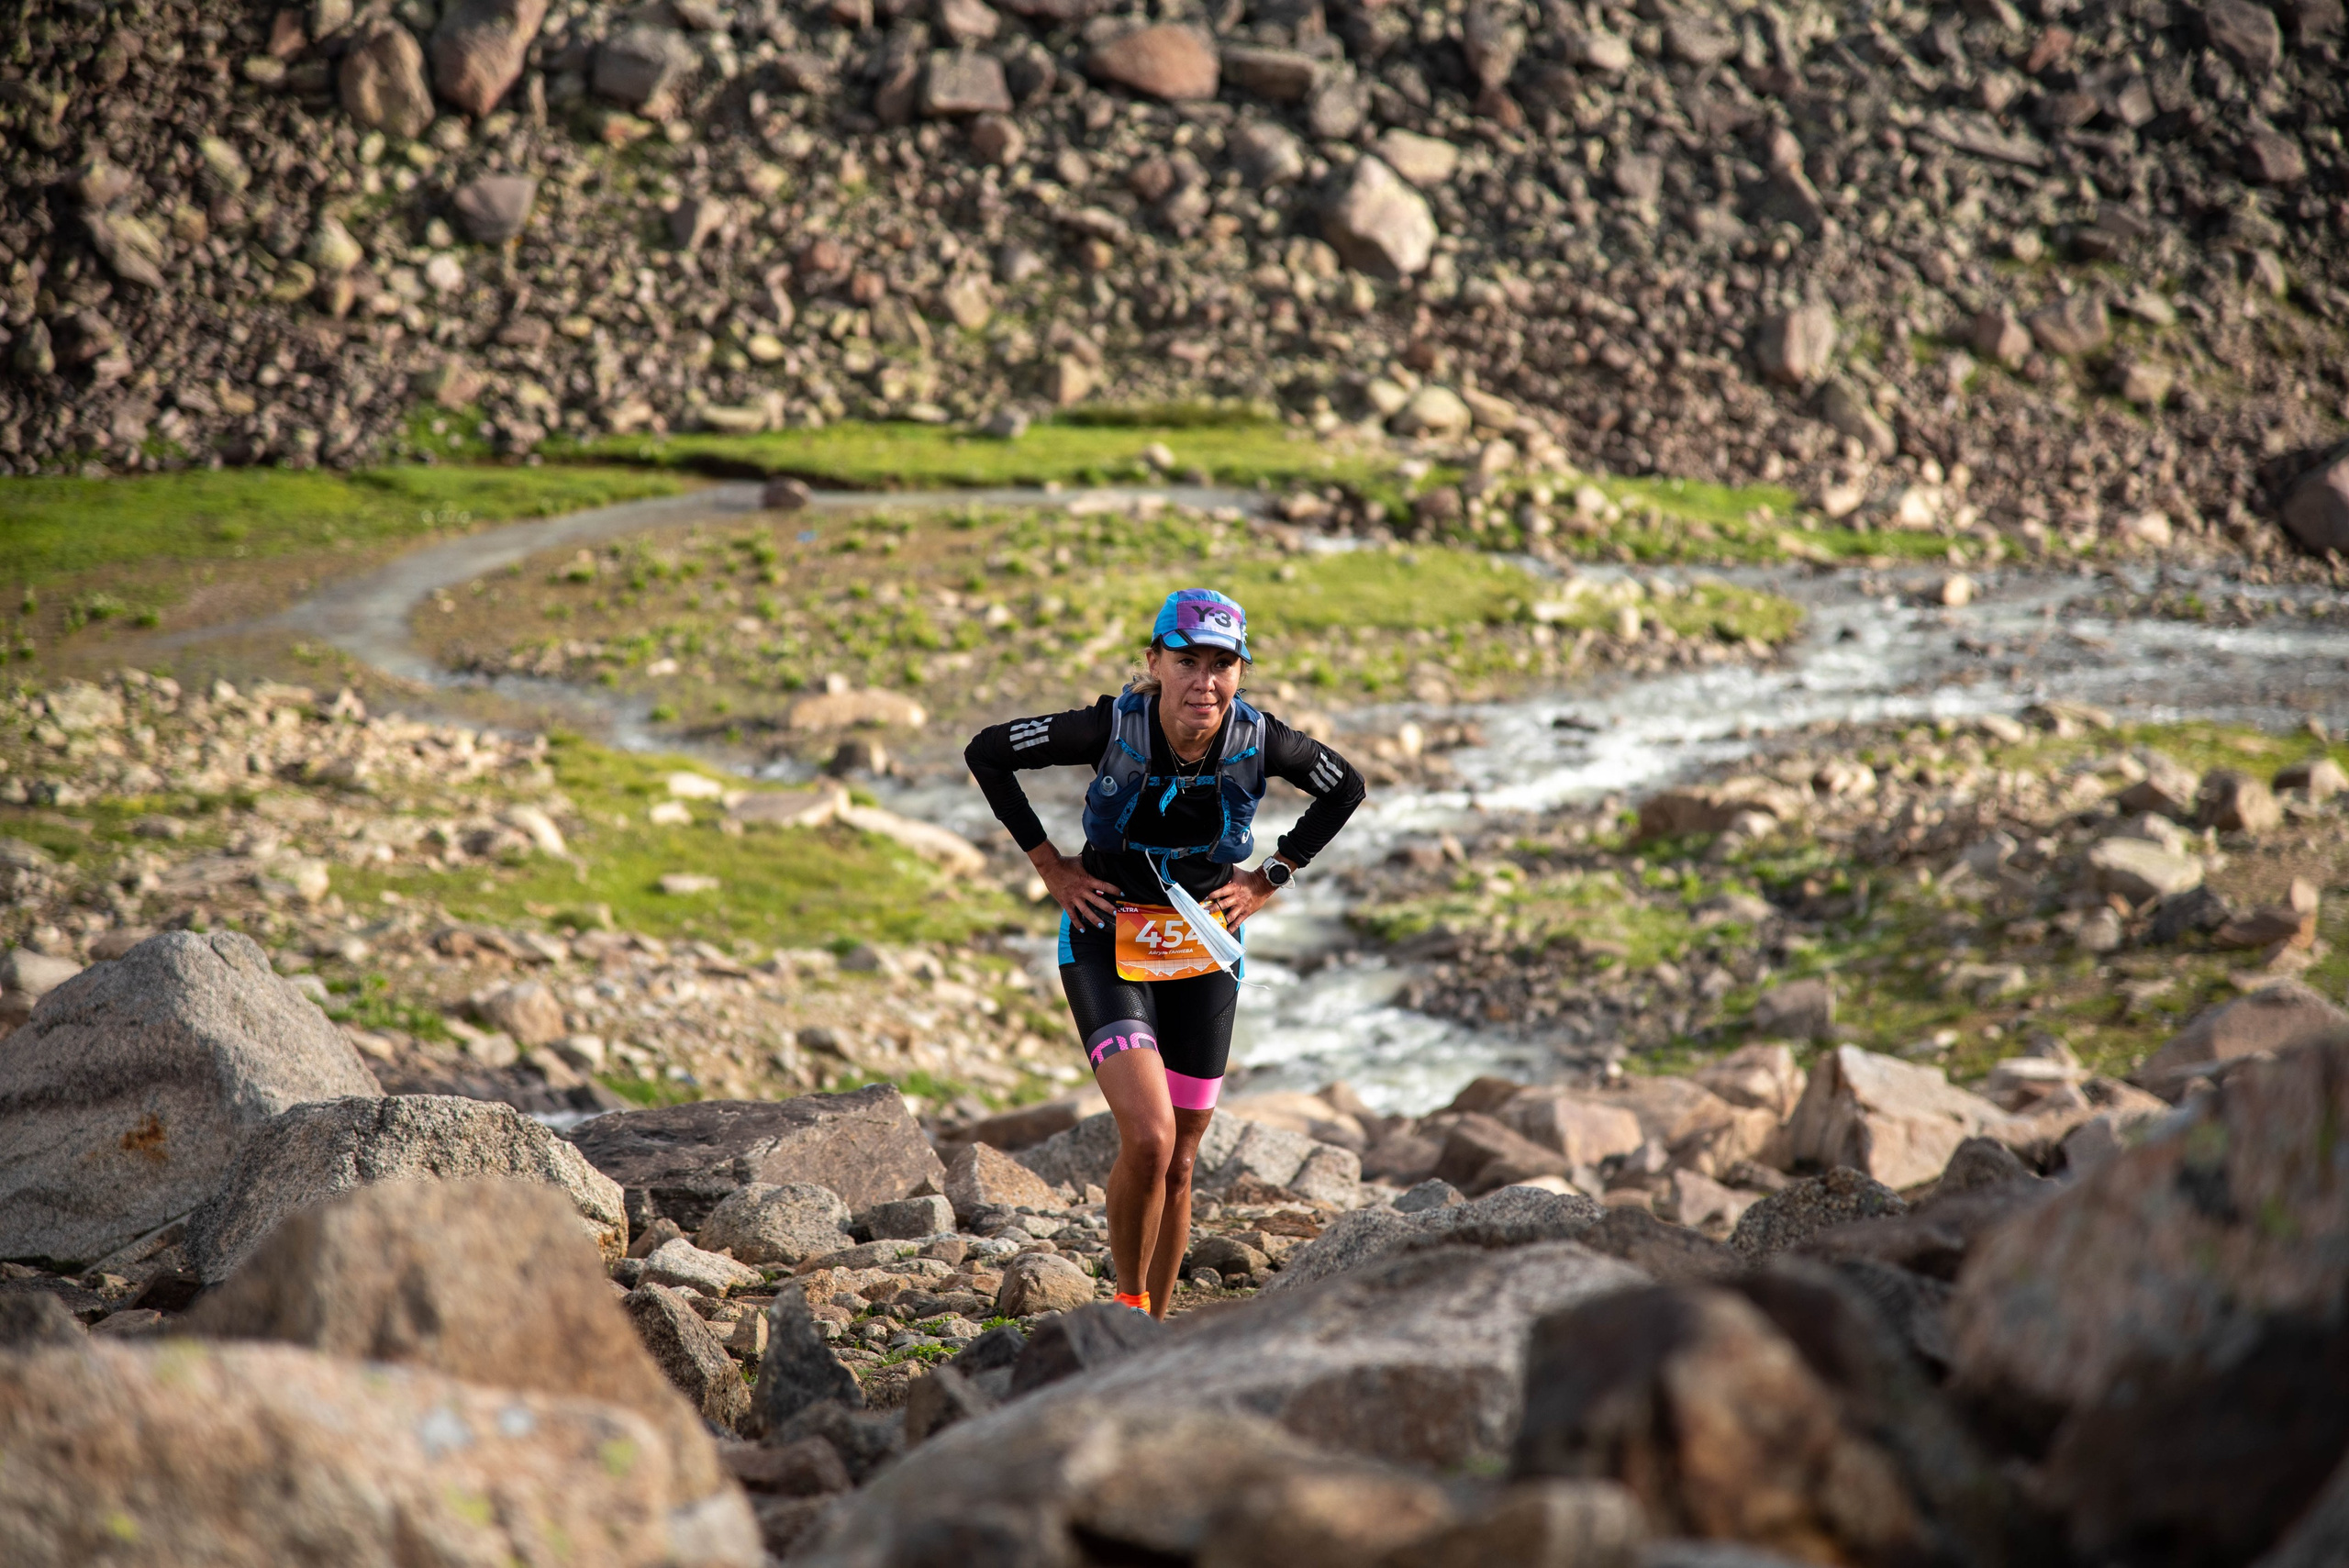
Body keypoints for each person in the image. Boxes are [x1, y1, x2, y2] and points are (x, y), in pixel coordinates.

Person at [964, 588, 1366, 1318]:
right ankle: (1125, 1299)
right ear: (1155, 662)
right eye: (1187, 661)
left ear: (1240, 673)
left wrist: (1272, 875)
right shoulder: (1107, 728)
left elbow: (1347, 787)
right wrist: (1052, 867)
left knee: (1181, 1160)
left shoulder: (1262, 739)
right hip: (1104, 938)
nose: (1204, 681)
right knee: (1148, 1136)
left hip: (1204, 948)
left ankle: (1152, 1324)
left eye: (1223, 664)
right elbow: (987, 752)